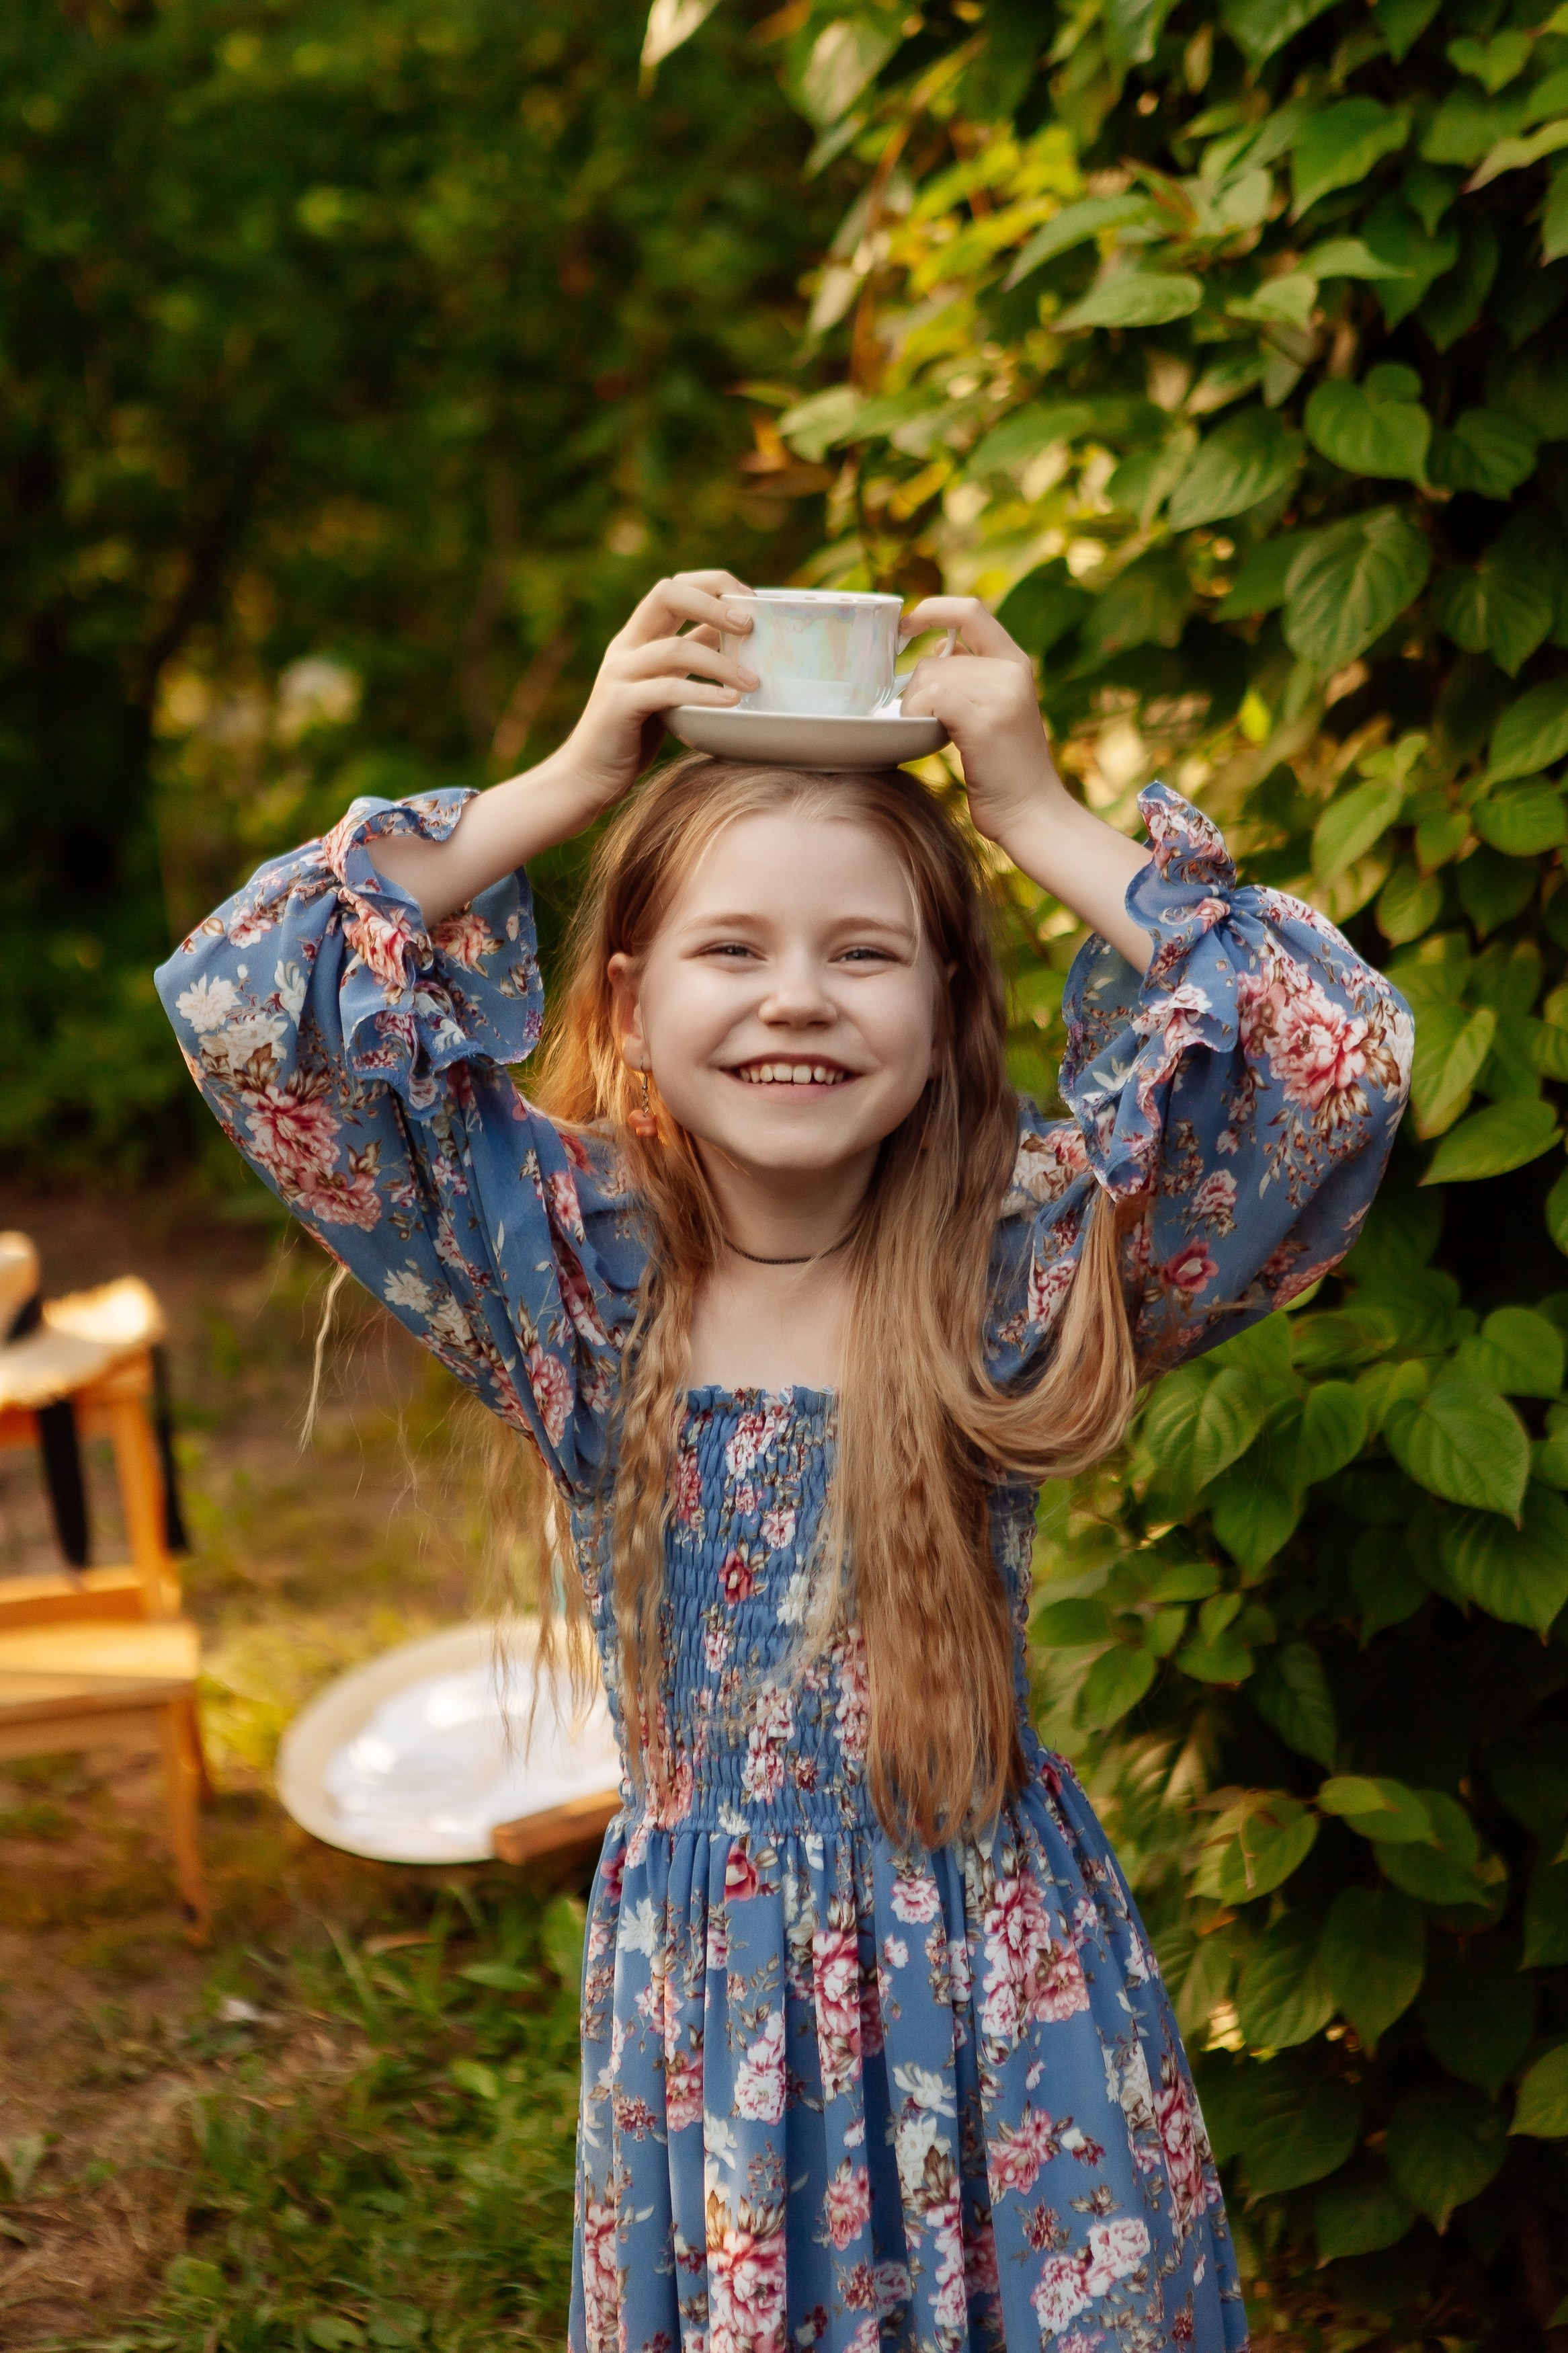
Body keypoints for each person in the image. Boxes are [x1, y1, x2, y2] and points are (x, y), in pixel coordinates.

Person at [157, 575, 1411, 2352]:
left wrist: (1033, 807)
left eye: (866, 950)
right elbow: (244, 994)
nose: (797, 1000)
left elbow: (1334, 1059)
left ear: (948, 998)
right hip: (716, 2027)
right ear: (632, 994)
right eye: (732, 949)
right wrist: (577, 771)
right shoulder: (577, 1277)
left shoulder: (1016, 1262)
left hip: (1004, 1990)